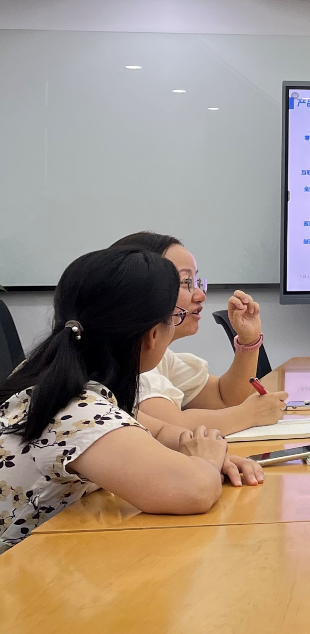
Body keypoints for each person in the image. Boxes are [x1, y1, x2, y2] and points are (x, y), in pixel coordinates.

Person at [0, 249, 263, 553]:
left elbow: (155, 431)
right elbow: (196, 490)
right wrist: (204, 463)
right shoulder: (79, 412)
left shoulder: (57, 381)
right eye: (174, 318)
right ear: (152, 335)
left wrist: (194, 451)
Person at [109, 232, 287, 435]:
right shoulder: (129, 358)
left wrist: (249, 341)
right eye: (186, 282)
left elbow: (223, 398)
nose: (201, 295)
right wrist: (251, 414)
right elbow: (173, 428)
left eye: (197, 282)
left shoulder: (160, 357)